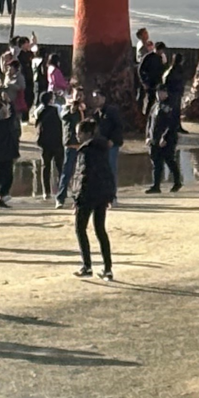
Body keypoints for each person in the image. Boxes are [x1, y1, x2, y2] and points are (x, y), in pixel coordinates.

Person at [73, 119, 115, 280]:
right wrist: (110, 194)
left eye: (79, 133)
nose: (77, 136)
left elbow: (82, 176)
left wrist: (77, 198)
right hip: (102, 194)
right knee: (100, 230)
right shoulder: (102, 148)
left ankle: (87, 266)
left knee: (80, 229)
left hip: (88, 195)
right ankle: (108, 268)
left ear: (87, 134)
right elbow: (107, 172)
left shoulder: (86, 151)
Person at [145, 97, 183, 194]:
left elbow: (173, 124)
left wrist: (165, 137)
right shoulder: (155, 106)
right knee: (156, 162)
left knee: (169, 160)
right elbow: (149, 122)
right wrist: (148, 136)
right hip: (155, 138)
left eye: (162, 92)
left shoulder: (171, 106)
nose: (159, 95)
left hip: (167, 140)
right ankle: (156, 186)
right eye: (158, 93)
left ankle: (177, 182)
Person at [35, 92, 65, 201]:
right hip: (57, 141)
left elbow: (36, 116)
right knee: (60, 166)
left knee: (45, 167)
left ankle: (46, 192)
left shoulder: (39, 111)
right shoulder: (57, 108)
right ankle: (61, 189)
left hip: (44, 142)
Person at [137, 39, 164, 121]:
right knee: (144, 99)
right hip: (147, 82)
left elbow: (160, 70)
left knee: (153, 100)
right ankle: (144, 116)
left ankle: (150, 116)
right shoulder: (148, 57)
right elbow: (140, 69)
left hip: (156, 82)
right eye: (160, 50)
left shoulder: (160, 58)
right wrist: (143, 82)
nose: (161, 52)